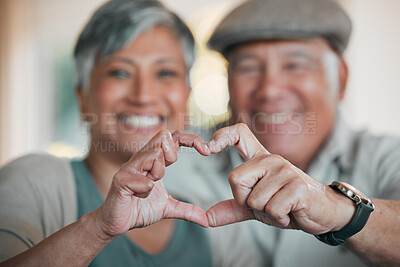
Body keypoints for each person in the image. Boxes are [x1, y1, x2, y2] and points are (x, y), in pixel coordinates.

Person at [0, 0, 253, 266]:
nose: (143, 95)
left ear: (186, 98)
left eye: (165, 72)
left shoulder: (212, 220)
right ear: (82, 97)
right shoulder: (33, 182)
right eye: (120, 72)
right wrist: (98, 228)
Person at [164, 0, 400, 266]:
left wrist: (338, 210)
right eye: (248, 67)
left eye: (295, 65)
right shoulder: (176, 157)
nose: (270, 89)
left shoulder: (387, 159)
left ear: (341, 79)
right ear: (228, 82)